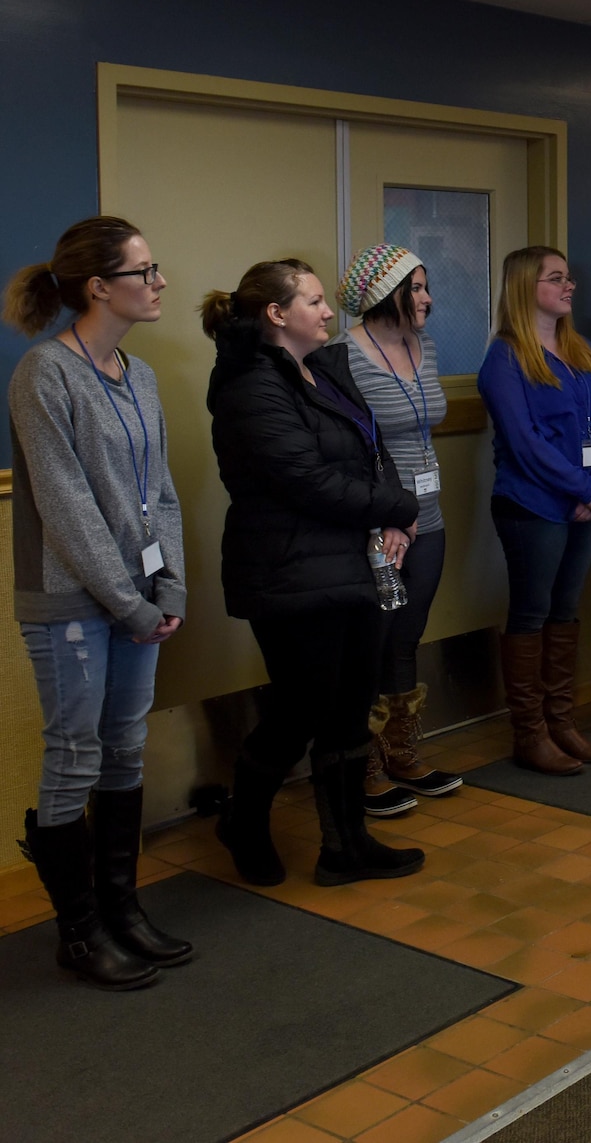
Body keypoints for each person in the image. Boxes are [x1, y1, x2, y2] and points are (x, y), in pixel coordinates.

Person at [4, 217, 189, 989]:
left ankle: (122, 908)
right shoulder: (44, 374)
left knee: (125, 747)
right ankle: (79, 931)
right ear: (98, 287)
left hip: (138, 600)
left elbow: (161, 492)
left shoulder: (137, 375)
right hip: (72, 600)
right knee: (75, 755)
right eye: (145, 271)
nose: (159, 283)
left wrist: (170, 581)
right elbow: (67, 506)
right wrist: (128, 602)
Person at [205, 259, 426, 888]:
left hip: (350, 564)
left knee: (351, 708)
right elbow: (304, 479)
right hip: (288, 573)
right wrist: (398, 508)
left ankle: (346, 845)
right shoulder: (250, 384)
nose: (330, 312)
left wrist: (389, 512)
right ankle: (242, 821)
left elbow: (371, 449)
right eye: (315, 301)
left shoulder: (323, 369)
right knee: (301, 710)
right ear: (277, 315)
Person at [329, 245, 461, 817]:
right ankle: (363, 765)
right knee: (372, 641)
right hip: (381, 526)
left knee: (407, 634)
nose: (429, 297)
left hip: (428, 517)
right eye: (418, 287)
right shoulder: (341, 356)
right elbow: (345, 448)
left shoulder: (423, 345)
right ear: (387, 294)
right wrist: (386, 516)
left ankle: (402, 751)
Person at [479, 246, 591, 775]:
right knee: (532, 614)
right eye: (556, 278)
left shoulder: (582, 350)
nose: (569, 285)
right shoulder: (505, 358)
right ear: (524, 288)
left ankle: (562, 723)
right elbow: (523, 442)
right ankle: (529, 733)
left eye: (569, 276)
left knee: (566, 610)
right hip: (532, 505)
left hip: (585, 501)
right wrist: (583, 489)